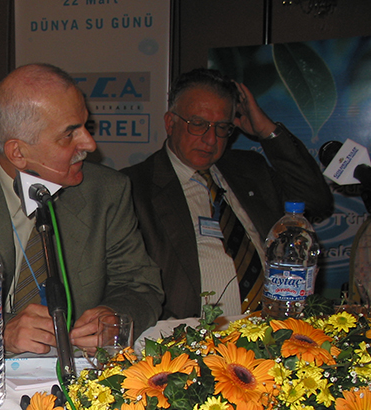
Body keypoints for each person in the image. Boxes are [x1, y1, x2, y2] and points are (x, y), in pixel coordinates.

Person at [0, 63, 163, 355]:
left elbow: (140, 286)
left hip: (83, 367)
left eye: (86, 127)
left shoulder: (107, 192)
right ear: (18, 152)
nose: (90, 144)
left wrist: (114, 318)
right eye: (69, 134)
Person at [122, 68, 334, 320]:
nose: (211, 139)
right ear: (170, 123)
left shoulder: (250, 169)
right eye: (198, 124)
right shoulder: (133, 187)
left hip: (274, 328)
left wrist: (267, 130)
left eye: (222, 127)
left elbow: (316, 201)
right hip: (188, 335)